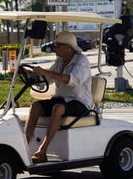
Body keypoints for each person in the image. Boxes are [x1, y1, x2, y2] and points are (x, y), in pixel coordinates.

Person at [23, 31, 92, 163]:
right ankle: (24, 146)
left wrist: (45, 71)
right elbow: (48, 79)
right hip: (62, 99)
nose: (54, 48)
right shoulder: (60, 61)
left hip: (79, 101)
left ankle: (42, 151)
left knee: (58, 108)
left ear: (68, 47)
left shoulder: (81, 61)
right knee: (36, 106)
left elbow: (72, 80)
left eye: (57, 45)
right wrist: (32, 74)